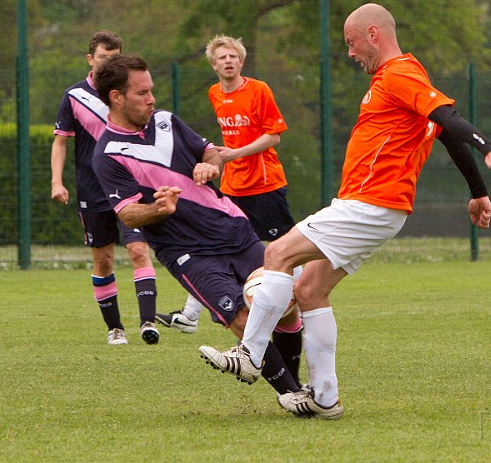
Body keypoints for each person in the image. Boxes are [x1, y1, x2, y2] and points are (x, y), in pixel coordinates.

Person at [198, 3, 491, 419]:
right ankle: (325, 398)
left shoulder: (400, 74)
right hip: (376, 207)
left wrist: (489, 147)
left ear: (373, 34)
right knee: (310, 291)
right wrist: (478, 190)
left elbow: (448, 118)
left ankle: (250, 353)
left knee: (277, 255)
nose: (350, 53)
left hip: (370, 203)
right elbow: (442, 130)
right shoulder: (410, 75)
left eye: (351, 43)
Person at [90, 54, 307, 408]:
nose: (151, 99)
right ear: (116, 97)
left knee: (285, 305)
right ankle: (290, 394)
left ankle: (298, 385)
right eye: (142, 93)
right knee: (241, 316)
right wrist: (158, 208)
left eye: (152, 91)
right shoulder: (108, 153)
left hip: (233, 228)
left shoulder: (166, 122)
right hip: (188, 253)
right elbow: (127, 214)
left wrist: (209, 166)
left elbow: (210, 152)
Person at [156, 35, 296, 353]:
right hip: (233, 186)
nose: (228, 61)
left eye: (233, 56)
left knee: (285, 249)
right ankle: (190, 315)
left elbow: (273, 136)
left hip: (265, 185)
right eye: (222, 57)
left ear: (241, 61)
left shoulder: (258, 89)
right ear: (214, 64)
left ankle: (300, 300)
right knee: (216, 246)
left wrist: (234, 153)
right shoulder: (215, 93)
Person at [51, 30, 160, 347]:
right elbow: (60, 142)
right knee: (104, 261)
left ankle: (148, 323)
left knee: (139, 251)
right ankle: (115, 328)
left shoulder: (130, 95)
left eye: (115, 60)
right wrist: (57, 182)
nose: (108, 65)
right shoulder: (74, 96)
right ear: (91, 60)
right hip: (92, 189)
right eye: (103, 59)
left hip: (129, 186)